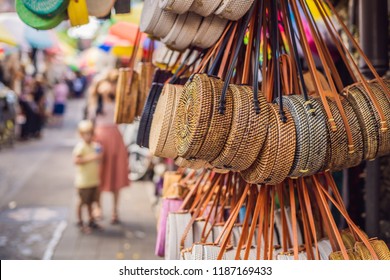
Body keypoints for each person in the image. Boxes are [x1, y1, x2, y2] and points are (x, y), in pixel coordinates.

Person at [88, 70, 129, 224]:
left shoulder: (116, 101)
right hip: (99, 141)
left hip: (115, 139)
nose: (106, 88)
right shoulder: (94, 105)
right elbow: (89, 124)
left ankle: (115, 210)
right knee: (99, 175)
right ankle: (97, 207)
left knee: (116, 174)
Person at [73, 120, 103, 233]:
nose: (89, 136)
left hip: (93, 180)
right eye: (86, 134)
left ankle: (91, 221)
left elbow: (100, 158)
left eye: (90, 133)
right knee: (82, 202)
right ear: (81, 135)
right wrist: (93, 157)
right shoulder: (81, 147)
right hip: (83, 182)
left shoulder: (95, 146)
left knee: (91, 202)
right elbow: (77, 160)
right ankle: (80, 222)